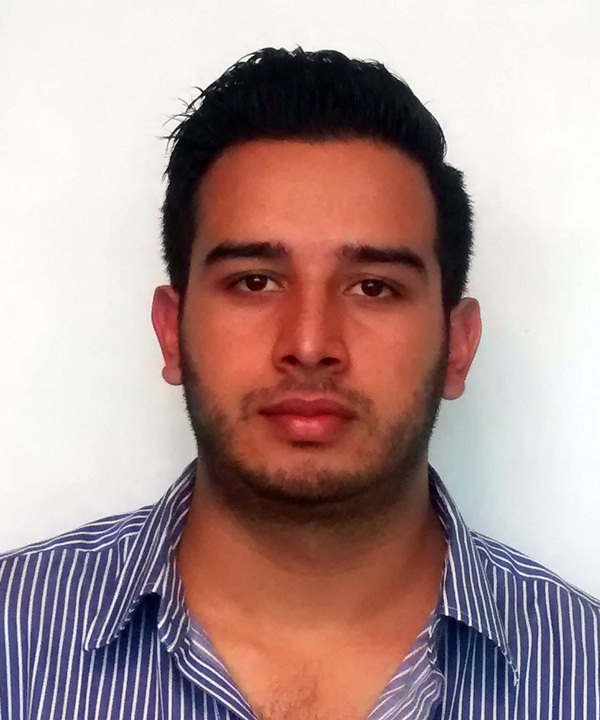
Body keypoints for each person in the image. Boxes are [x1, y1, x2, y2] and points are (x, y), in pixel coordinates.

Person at [1, 47, 598, 720]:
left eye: (374, 287)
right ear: (171, 332)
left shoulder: (584, 672)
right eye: (254, 282)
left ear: (457, 347)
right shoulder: (13, 641)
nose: (310, 345)